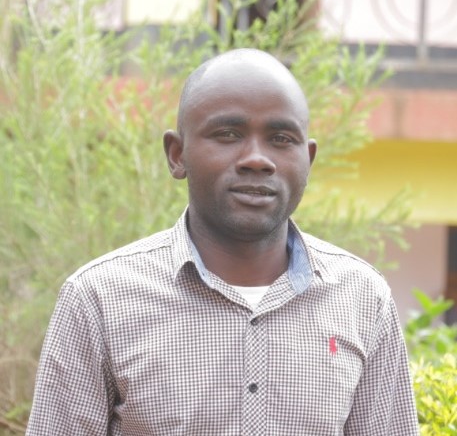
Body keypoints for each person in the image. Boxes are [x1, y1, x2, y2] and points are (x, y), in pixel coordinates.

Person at [26, 48, 419, 435]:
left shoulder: (363, 299)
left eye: (281, 138)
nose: (257, 159)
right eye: (228, 134)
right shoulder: (99, 299)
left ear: (308, 160)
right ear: (177, 155)